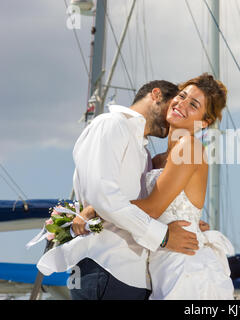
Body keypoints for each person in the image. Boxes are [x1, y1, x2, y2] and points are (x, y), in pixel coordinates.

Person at [37, 80, 206, 300]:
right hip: (105, 266)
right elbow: (103, 197)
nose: (172, 116)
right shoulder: (111, 124)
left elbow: (148, 205)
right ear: (156, 95)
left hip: (136, 276)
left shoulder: (145, 153)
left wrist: (187, 221)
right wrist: (163, 236)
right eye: (172, 105)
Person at [74, 73, 235, 300]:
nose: (181, 104)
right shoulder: (157, 159)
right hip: (157, 266)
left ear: (204, 122)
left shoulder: (189, 147)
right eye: (181, 96)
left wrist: (95, 210)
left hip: (183, 264)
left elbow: (152, 209)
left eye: (194, 105)